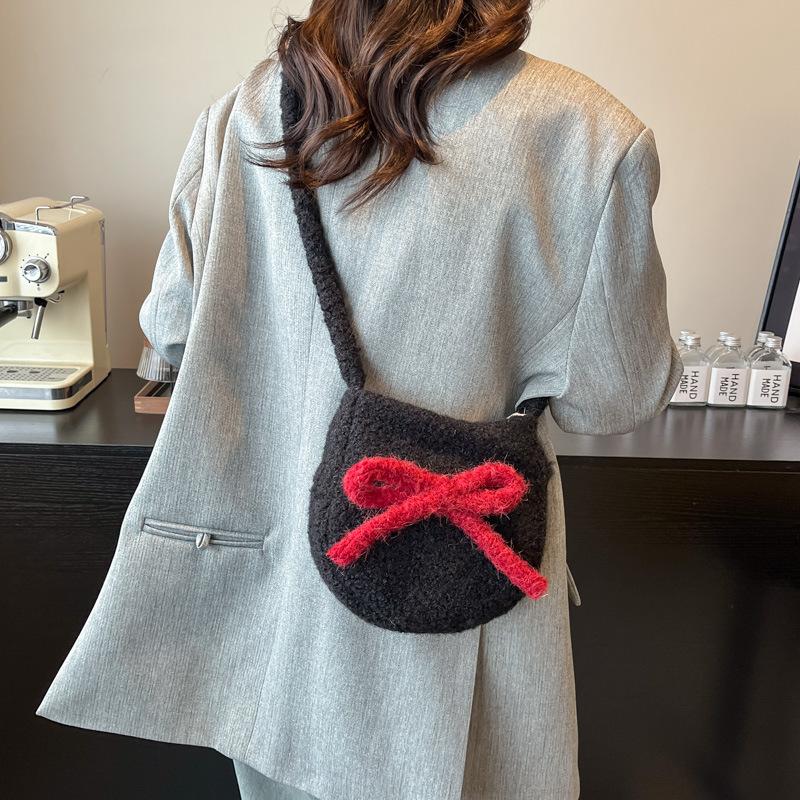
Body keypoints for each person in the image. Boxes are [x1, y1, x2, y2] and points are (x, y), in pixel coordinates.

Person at [37, 1, 682, 798]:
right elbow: (613, 399)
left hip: (277, 611)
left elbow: (171, 331)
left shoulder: (254, 110)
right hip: (466, 592)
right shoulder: (587, 132)